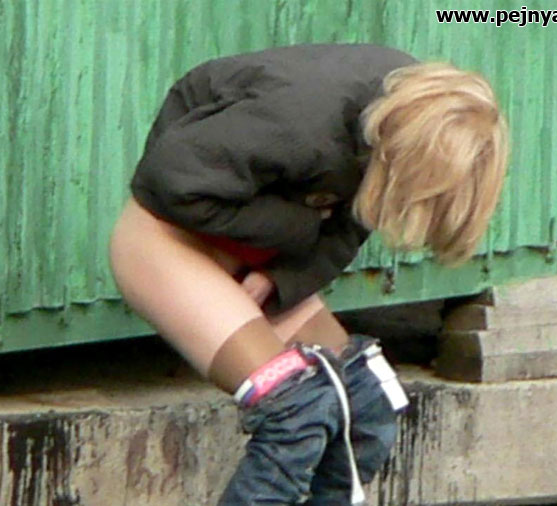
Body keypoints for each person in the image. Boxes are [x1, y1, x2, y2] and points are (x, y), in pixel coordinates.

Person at [109, 43, 508, 505]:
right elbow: (170, 183)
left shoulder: (403, 121)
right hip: (168, 234)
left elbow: (354, 220)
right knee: (295, 411)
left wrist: (284, 278)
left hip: (255, 245)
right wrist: (299, 228)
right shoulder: (299, 122)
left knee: (364, 405)